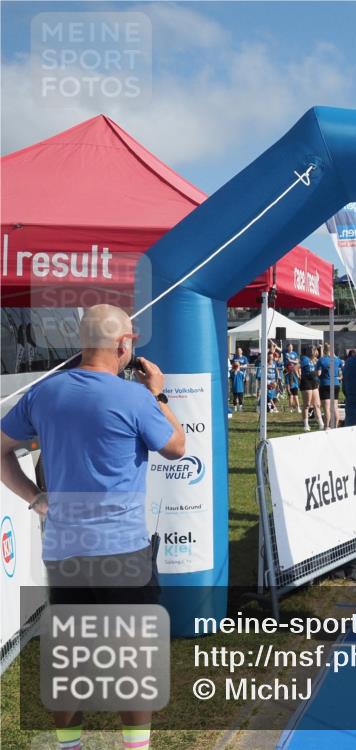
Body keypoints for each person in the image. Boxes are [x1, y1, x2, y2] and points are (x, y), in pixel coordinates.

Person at [0, 304, 185, 750]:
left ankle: (69, 744)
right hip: (122, 551)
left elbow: (1, 449)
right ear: (124, 345)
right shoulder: (136, 397)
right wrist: (158, 394)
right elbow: (177, 447)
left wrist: (34, 498)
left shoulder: (43, 393)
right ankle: (134, 746)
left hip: (65, 549)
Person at [299, 345, 324, 431]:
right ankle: (306, 425)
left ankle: (321, 424)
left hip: (314, 382)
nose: (316, 352)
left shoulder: (315, 360)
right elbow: (296, 368)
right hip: (306, 382)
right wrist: (300, 377)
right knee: (307, 404)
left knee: (317, 404)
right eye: (314, 350)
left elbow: (319, 371)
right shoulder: (304, 359)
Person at [318, 343, 342, 430]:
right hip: (335, 384)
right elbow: (341, 370)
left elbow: (318, 373)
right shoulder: (337, 360)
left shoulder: (321, 360)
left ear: (324, 350)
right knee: (335, 406)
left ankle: (327, 426)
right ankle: (335, 426)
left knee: (327, 408)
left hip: (325, 384)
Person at [283, 343, 300, 413]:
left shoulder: (295, 354)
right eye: (289, 346)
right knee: (290, 394)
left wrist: (291, 361)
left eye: (291, 346)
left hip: (294, 374)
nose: (290, 348)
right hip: (288, 374)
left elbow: (297, 361)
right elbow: (277, 348)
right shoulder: (285, 352)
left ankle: (297, 407)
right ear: (287, 347)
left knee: (295, 393)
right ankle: (291, 408)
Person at [230, 346, 248, 411]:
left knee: (241, 390)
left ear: (241, 351)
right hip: (235, 375)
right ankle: (235, 405)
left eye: (239, 350)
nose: (238, 351)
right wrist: (234, 369)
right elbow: (232, 366)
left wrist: (239, 367)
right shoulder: (234, 358)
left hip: (241, 375)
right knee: (235, 392)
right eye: (237, 350)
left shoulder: (244, 358)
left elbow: (246, 365)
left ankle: (240, 405)